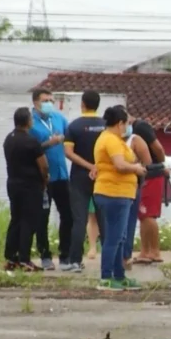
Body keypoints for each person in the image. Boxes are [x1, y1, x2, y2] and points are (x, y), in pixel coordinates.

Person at [93, 106, 147, 291]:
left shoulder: (113, 140)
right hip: (113, 192)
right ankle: (106, 276)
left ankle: (119, 275)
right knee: (113, 238)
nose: (127, 127)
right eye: (126, 123)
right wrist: (136, 169)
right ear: (119, 123)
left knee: (120, 237)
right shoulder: (111, 140)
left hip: (120, 193)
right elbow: (119, 164)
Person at [28, 88, 72, 271]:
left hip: (62, 175)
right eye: (45, 100)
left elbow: (70, 138)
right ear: (36, 102)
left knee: (68, 215)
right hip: (43, 177)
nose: (49, 104)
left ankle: (66, 255)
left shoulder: (59, 118)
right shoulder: (30, 123)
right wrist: (49, 143)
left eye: (51, 101)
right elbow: (29, 148)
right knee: (42, 217)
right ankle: (45, 255)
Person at [62, 90, 106, 273]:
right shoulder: (106, 126)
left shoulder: (74, 126)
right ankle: (111, 261)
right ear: (98, 104)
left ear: (82, 104)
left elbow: (68, 153)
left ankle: (75, 261)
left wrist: (88, 166)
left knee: (79, 220)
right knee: (105, 220)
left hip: (80, 178)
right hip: (103, 177)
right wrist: (97, 167)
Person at [3, 107, 49, 273]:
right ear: (27, 121)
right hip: (30, 186)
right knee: (29, 222)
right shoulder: (31, 141)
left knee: (15, 219)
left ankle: (10, 257)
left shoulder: (9, 139)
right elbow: (43, 165)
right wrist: (44, 180)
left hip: (13, 184)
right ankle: (24, 259)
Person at [132, 118, 168, 265]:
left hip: (151, 175)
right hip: (143, 175)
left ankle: (154, 251)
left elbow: (158, 148)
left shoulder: (141, 126)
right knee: (143, 214)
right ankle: (145, 251)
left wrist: (158, 165)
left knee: (148, 214)